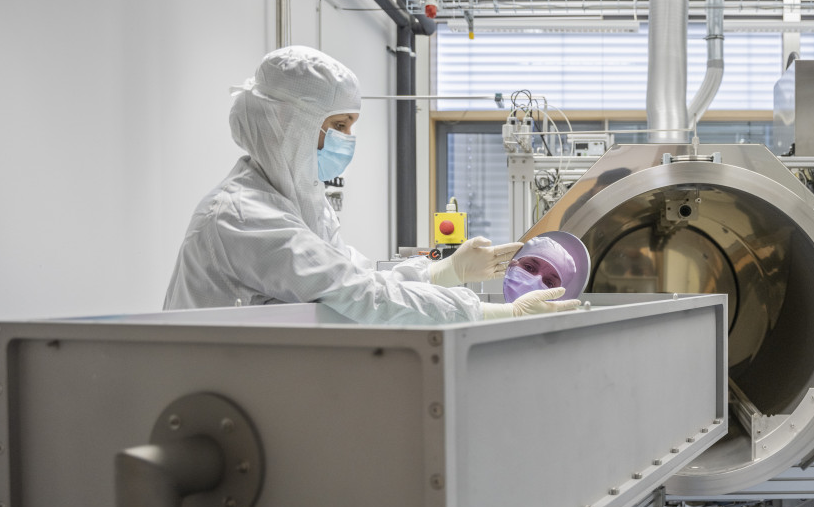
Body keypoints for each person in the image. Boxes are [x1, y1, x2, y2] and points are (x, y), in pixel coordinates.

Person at [164, 46, 578, 323]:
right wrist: (497, 313)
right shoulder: (243, 215)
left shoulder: (303, 206)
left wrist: (447, 270)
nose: (349, 139)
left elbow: (358, 277)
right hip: (206, 390)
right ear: (292, 126)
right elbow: (359, 295)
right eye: (340, 125)